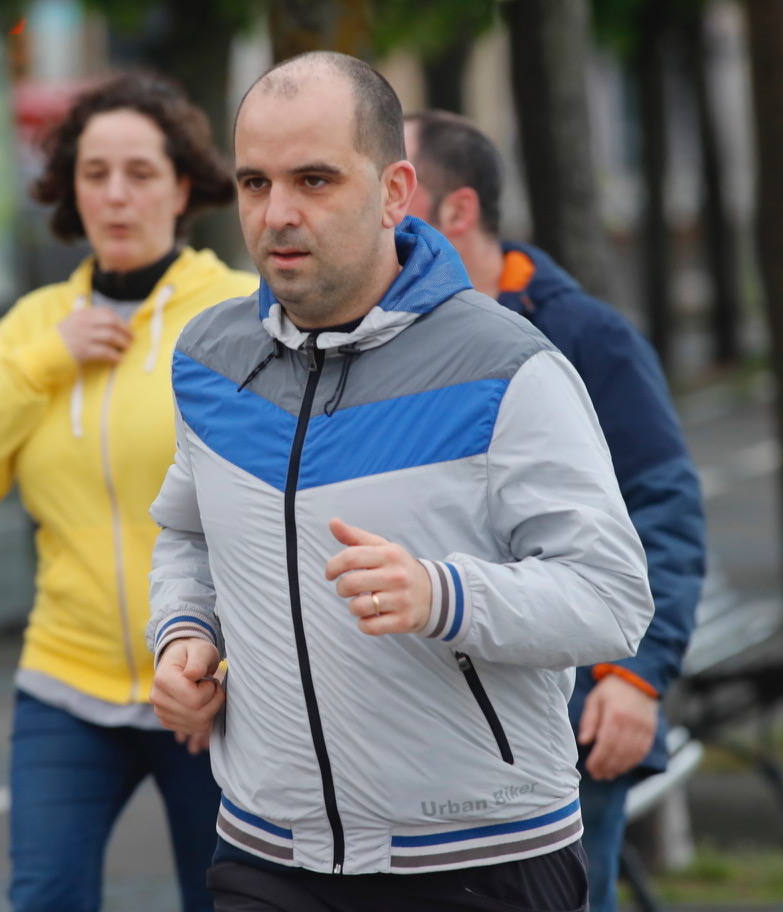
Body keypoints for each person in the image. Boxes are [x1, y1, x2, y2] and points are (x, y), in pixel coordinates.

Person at [146, 51, 655, 912]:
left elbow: (612, 599)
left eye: (314, 180)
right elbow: (190, 534)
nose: (278, 213)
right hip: (265, 851)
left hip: (480, 859)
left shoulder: (507, 366)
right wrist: (184, 632)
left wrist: (442, 595)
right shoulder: (209, 360)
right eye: (255, 183)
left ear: (393, 193)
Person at [0, 73, 257, 912]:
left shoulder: (238, 312)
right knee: (45, 897)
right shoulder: (36, 325)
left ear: (183, 187)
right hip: (66, 681)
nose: (116, 195)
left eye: (140, 173)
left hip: (212, 685)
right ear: (70, 190)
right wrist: (46, 363)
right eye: (95, 173)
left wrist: (218, 658)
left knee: (226, 901)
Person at [404, 109, 707, 912]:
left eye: (395, 185)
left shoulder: (585, 336)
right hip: (429, 720)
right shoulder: (386, 340)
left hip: (572, 715)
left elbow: (665, 509)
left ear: (457, 210)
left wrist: (636, 677)